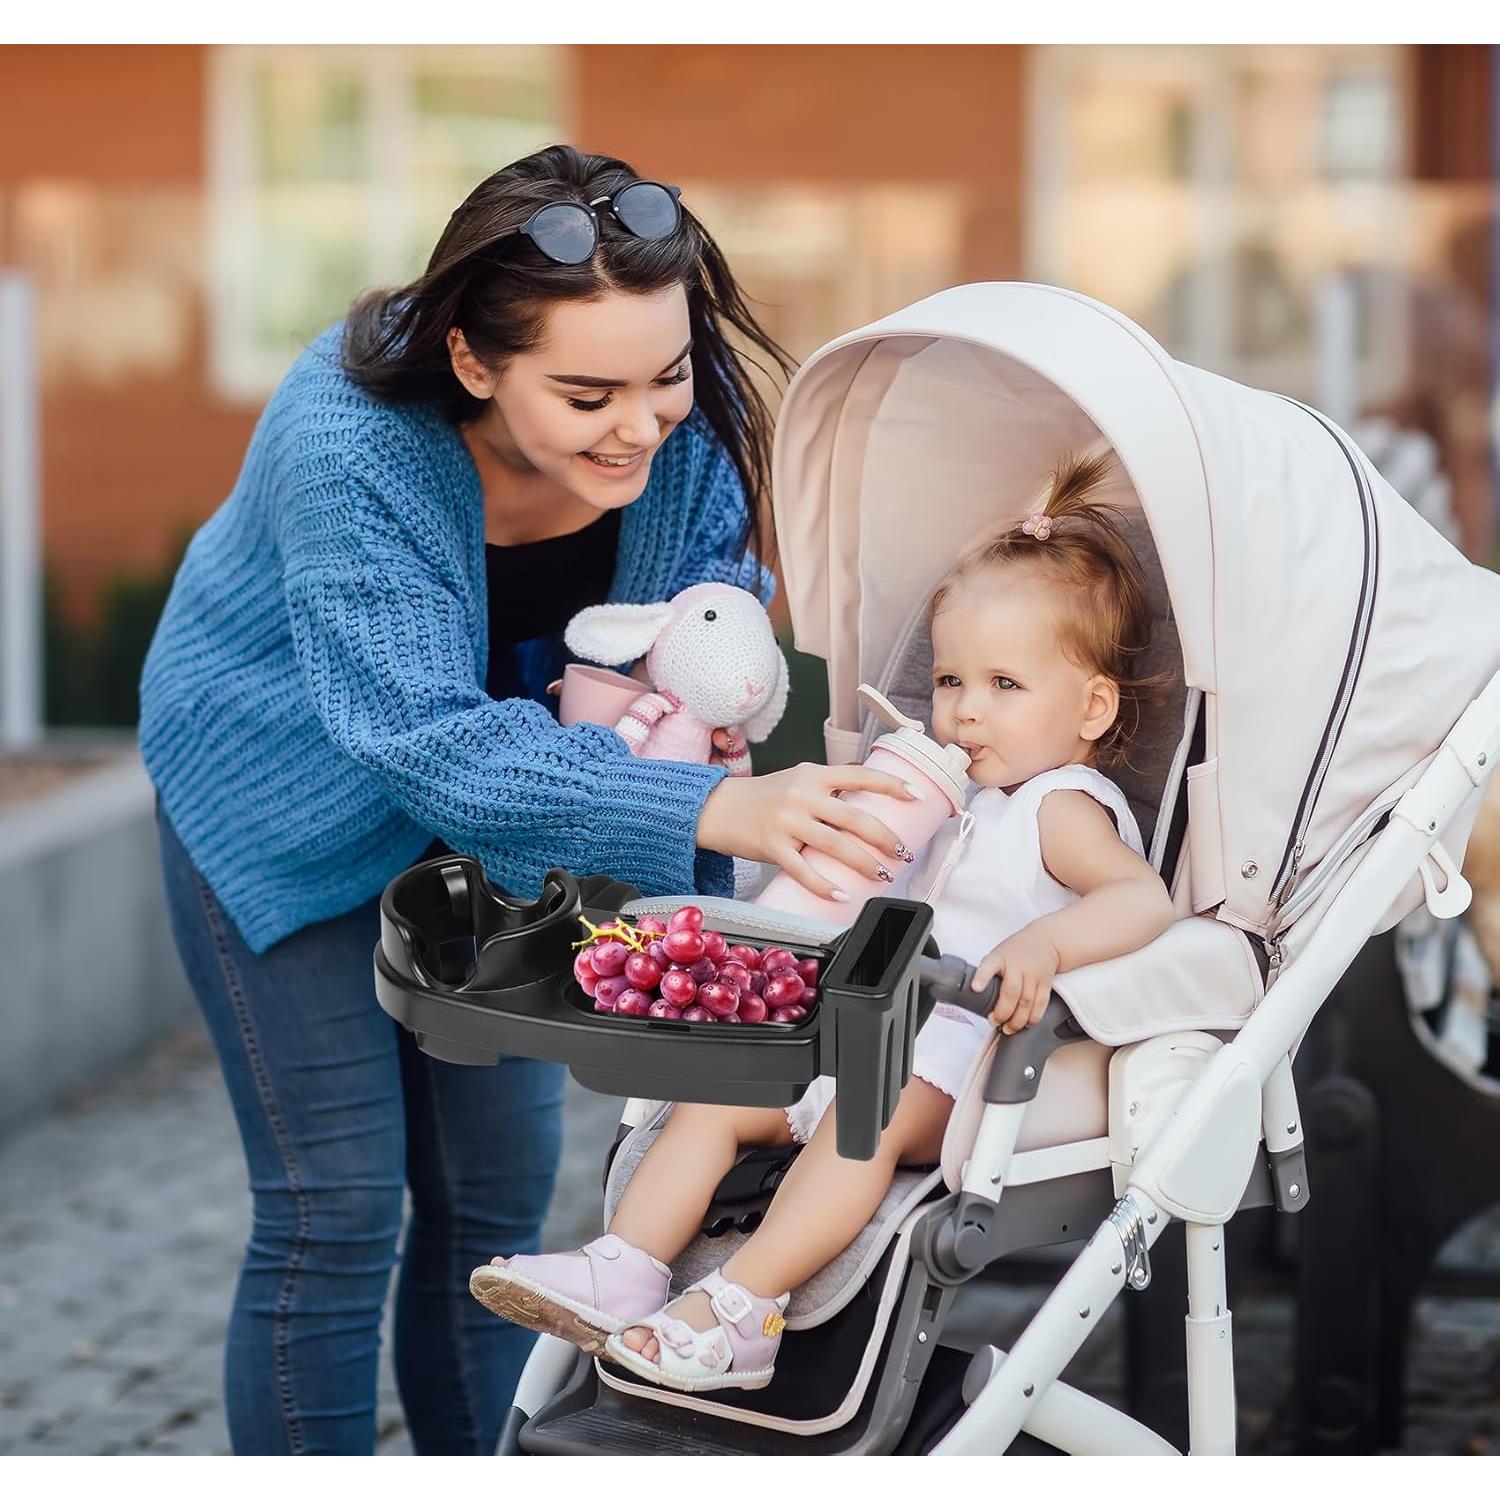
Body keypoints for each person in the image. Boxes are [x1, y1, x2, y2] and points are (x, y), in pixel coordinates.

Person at [138, 144, 917, 1454]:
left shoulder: (689, 420)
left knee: (499, 1208)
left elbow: (703, 648)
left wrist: (717, 777)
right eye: (587, 391)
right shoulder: (347, 433)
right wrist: (705, 817)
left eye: (667, 374)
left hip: (521, 834)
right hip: (282, 809)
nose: (642, 421)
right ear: (471, 360)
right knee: (333, 1209)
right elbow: (422, 735)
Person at [470, 452, 1176, 1394]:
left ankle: (742, 1308)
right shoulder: (942, 791)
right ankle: (626, 1264)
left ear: (1092, 706)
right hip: (848, 1025)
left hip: (950, 1056)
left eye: (1006, 686)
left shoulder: (1061, 804)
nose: (965, 711)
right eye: (954, 681)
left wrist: (1043, 945)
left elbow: (1143, 900)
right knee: (717, 1104)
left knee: (860, 1124)